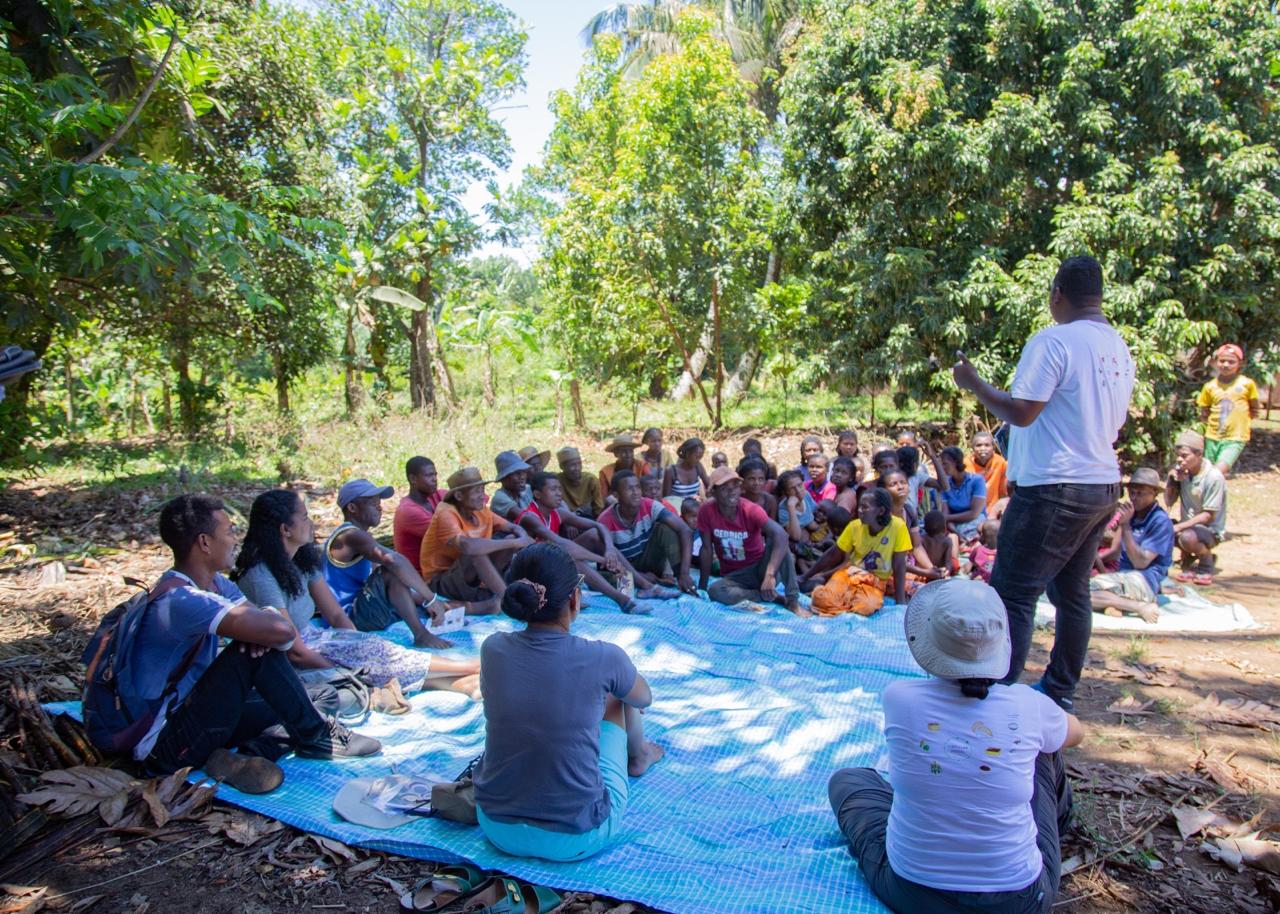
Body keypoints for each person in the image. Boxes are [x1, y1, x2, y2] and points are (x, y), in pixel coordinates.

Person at [829, 578, 1082, 914]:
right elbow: (1076, 733)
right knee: (1044, 744)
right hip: (1018, 901)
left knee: (847, 780)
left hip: (914, 894)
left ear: (927, 643)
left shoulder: (900, 698)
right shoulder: (1027, 705)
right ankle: (1058, 826)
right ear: (1000, 641)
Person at [953, 254, 1134, 711]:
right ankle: (1059, 691)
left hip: (1057, 488)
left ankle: (992, 694)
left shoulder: (1054, 342)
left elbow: (1022, 411)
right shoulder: (1117, 346)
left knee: (1013, 591)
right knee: (1072, 591)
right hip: (1100, 484)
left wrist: (973, 382)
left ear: (1057, 294)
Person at [133, 494, 379, 795]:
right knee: (253, 651)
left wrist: (262, 628)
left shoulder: (216, 584)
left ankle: (245, 755)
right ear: (204, 543)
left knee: (323, 695)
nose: (235, 539)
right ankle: (316, 738)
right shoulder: (182, 600)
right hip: (165, 743)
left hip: (202, 713)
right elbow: (281, 632)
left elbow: (271, 626)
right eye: (228, 532)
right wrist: (261, 630)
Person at [474, 544, 664, 862]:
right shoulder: (604, 656)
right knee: (619, 694)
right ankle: (640, 754)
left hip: (497, 827)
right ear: (575, 598)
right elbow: (643, 697)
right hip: (579, 836)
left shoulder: (493, 648)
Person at [235, 491, 480, 695]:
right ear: (285, 530)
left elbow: (336, 616)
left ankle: (455, 683)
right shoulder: (261, 576)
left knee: (374, 650)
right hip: (293, 659)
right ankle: (473, 668)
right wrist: (348, 670)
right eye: (305, 517)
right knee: (373, 661)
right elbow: (295, 652)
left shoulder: (300, 560)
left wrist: (356, 643)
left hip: (319, 639)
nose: (311, 523)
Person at [324, 479, 452, 649]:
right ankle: (421, 635)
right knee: (392, 569)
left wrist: (423, 601)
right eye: (372, 503)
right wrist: (430, 598)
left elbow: (385, 586)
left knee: (428, 611)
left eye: (379, 502)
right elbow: (394, 562)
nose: (379, 507)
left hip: (365, 607)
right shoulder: (350, 535)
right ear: (352, 508)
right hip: (348, 617)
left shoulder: (362, 538)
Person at [516, 471, 651, 614]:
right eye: (553, 489)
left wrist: (610, 550)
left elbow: (598, 526)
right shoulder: (530, 517)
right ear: (537, 495)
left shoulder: (557, 513)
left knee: (593, 536)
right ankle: (624, 601)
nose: (559, 493)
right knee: (571, 560)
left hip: (549, 566)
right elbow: (561, 545)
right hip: (529, 575)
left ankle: (635, 587)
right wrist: (602, 559)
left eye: (560, 489)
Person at [420, 467, 534, 613]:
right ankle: (507, 599)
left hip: (470, 576)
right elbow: (468, 547)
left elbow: (513, 528)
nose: (483, 496)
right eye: (476, 492)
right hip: (441, 581)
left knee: (507, 539)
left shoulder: (480, 510)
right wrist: (516, 543)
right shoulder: (446, 513)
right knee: (475, 550)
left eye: (482, 490)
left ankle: (490, 594)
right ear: (459, 496)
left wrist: (522, 537)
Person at [697, 467, 806, 615]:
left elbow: (781, 535)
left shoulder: (750, 509)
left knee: (779, 542)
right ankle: (765, 596)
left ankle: (792, 601)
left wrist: (770, 575)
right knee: (715, 591)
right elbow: (706, 549)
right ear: (713, 492)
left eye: (735, 486)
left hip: (760, 568)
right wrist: (702, 588)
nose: (732, 492)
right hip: (734, 576)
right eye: (725, 488)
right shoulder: (706, 510)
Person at [803, 489, 912, 615]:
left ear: (881, 511)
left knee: (865, 607)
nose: (859, 510)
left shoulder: (898, 527)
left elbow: (899, 566)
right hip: (849, 574)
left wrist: (900, 602)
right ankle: (845, 602)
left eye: (865, 507)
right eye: (859, 506)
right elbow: (833, 554)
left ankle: (843, 603)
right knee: (820, 599)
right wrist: (806, 576)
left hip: (875, 582)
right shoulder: (854, 526)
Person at [1090, 468, 1174, 623]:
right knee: (1077, 589)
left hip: (1144, 579)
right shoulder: (1132, 514)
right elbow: (1116, 553)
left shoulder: (1160, 521)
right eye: (1132, 492)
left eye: (1140, 493)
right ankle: (1115, 603)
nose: (1134, 498)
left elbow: (1140, 562)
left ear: (1154, 493)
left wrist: (1126, 525)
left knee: (1083, 594)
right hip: (1124, 577)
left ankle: (1138, 607)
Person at [598, 470, 696, 595]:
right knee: (613, 582)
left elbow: (685, 530)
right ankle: (644, 582)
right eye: (629, 489)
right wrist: (639, 575)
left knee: (667, 528)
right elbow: (606, 562)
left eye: (637, 487)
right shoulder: (604, 521)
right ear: (616, 495)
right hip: (623, 568)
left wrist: (684, 573)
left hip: (649, 561)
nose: (636, 493)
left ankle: (679, 579)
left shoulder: (650, 505)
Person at [1165, 430, 1228, 585]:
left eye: (1185, 456)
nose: (1180, 460)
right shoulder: (1184, 473)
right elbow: (1169, 501)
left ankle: (1206, 563)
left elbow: (1208, 516)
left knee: (1186, 537)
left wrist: (1179, 527)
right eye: (1178, 455)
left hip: (1209, 530)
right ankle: (1187, 557)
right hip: (1188, 526)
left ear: (1199, 454)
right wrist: (1172, 481)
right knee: (1159, 528)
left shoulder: (1213, 477)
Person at [1197, 343, 1260, 475]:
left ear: (1240, 364)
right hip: (1212, 437)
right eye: (1222, 361)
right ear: (1215, 362)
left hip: (1235, 437)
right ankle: (1212, 495)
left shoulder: (1247, 384)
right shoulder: (1210, 387)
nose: (1226, 364)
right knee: (1208, 472)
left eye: (1231, 362)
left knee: (1218, 472)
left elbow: (1254, 408)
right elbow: (1204, 412)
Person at [879, 469, 941, 581]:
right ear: (884, 490)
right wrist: (925, 572)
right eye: (893, 484)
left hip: (906, 564)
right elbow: (888, 557)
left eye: (903, 483)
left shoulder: (909, 511)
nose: (900, 487)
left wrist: (932, 569)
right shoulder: (881, 515)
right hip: (883, 566)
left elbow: (917, 546)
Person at [393, 456, 445, 571]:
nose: (435, 479)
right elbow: (448, 537)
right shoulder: (408, 511)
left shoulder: (437, 496)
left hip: (440, 566)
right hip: (423, 575)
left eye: (435, 475)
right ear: (413, 479)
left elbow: (465, 497)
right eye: (429, 475)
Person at [927, 446, 988, 543]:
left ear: (955, 462)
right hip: (954, 523)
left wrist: (945, 518)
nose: (942, 467)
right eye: (941, 464)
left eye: (945, 464)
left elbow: (974, 513)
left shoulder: (976, 480)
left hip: (975, 521)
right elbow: (945, 512)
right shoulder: (946, 484)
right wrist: (950, 525)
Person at [556, 446, 604, 519]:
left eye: (579, 464)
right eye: (572, 465)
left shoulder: (590, 480)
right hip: (566, 519)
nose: (577, 468)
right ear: (562, 467)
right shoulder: (557, 481)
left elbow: (598, 508)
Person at [966, 431, 1009, 510]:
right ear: (972, 448)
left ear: (993, 447)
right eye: (978, 445)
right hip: (971, 510)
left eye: (987, 445)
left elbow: (1003, 493)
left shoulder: (1000, 462)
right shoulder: (965, 464)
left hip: (993, 510)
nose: (983, 449)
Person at [488, 451, 533, 523]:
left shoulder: (527, 490)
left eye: (524, 472)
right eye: (517, 473)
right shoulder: (499, 498)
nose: (522, 477)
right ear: (504, 478)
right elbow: (525, 518)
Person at [599, 434, 640, 501]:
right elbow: (603, 495)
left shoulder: (641, 466)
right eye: (624, 451)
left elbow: (649, 486)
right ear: (616, 454)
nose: (628, 455)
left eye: (630, 451)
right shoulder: (605, 472)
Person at [920, 510, 957, 577]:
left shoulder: (922, 540)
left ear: (925, 528)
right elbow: (948, 562)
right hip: (941, 571)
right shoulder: (947, 541)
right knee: (954, 562)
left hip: (926, 572)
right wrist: (947, 572)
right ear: (945, 528)